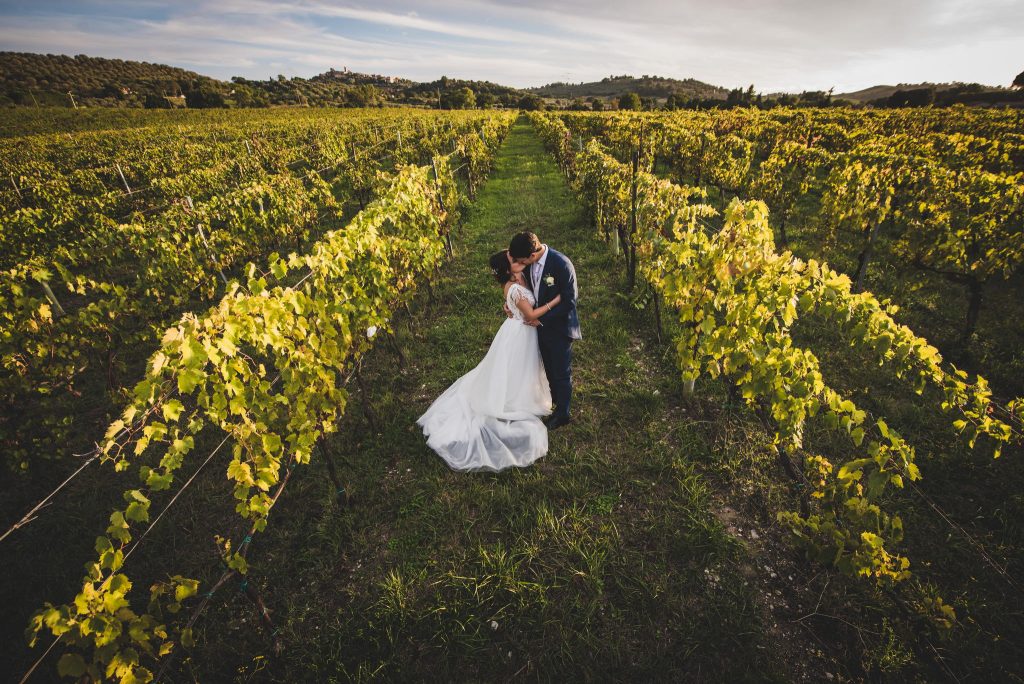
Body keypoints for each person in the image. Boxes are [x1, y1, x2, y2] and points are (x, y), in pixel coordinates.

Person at [417, 250, 560, 472]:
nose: (519, 260)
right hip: (520, 333)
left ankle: (527, 390)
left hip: (520, 330)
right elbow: (530, 315)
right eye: (514, 260)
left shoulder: (524, 273)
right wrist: (556, 300)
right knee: (515, 370)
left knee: (520, 368)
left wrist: (511, 307)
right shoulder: (513, 287)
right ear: (507, 269)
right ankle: (516, 398)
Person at [508, 231, 580, 430]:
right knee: (547, 366)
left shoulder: (561, 264)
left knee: (561, 371)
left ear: (532, 255)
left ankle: (563, 413)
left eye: (522, 260)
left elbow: (569, 302)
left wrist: (541, 319)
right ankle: (554, 399)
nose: (519, 264)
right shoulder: (528, 264)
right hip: (539, 328)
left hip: (559, 327)